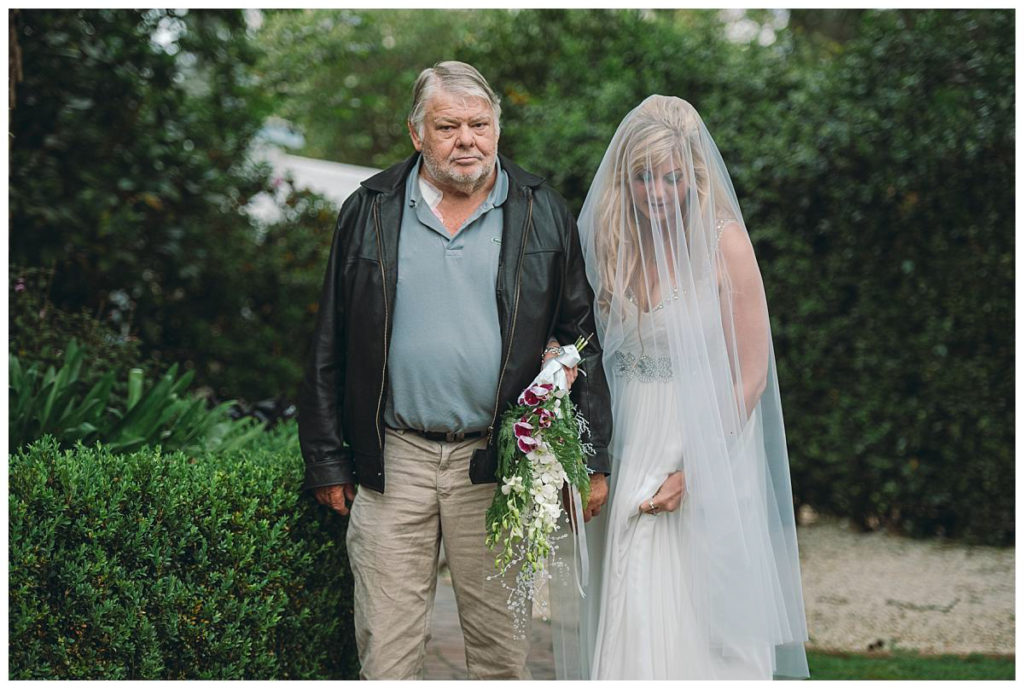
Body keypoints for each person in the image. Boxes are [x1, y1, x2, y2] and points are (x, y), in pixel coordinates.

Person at [295, 61, 613, 680]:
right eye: (448, 126)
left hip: (498, 465)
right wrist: (327, 459)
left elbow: (583, 336)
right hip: (395, 461)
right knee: (386, 653)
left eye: (479, 123)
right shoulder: (369, 208)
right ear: (417, 134)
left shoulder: (542, 210)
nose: (466, 139)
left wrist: (592, 460)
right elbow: (328, 342)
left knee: (499, 658)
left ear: (497, 127)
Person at [572, 95, 809, 680]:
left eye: (672, 178)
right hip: (627, 434)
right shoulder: (611, 240)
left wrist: (694, 469)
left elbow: (751, 371)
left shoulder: (722, 242)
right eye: (643, 178)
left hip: (705, 436)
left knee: (699, 607)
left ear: (695, 175)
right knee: (630, 584)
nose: (656, 193)